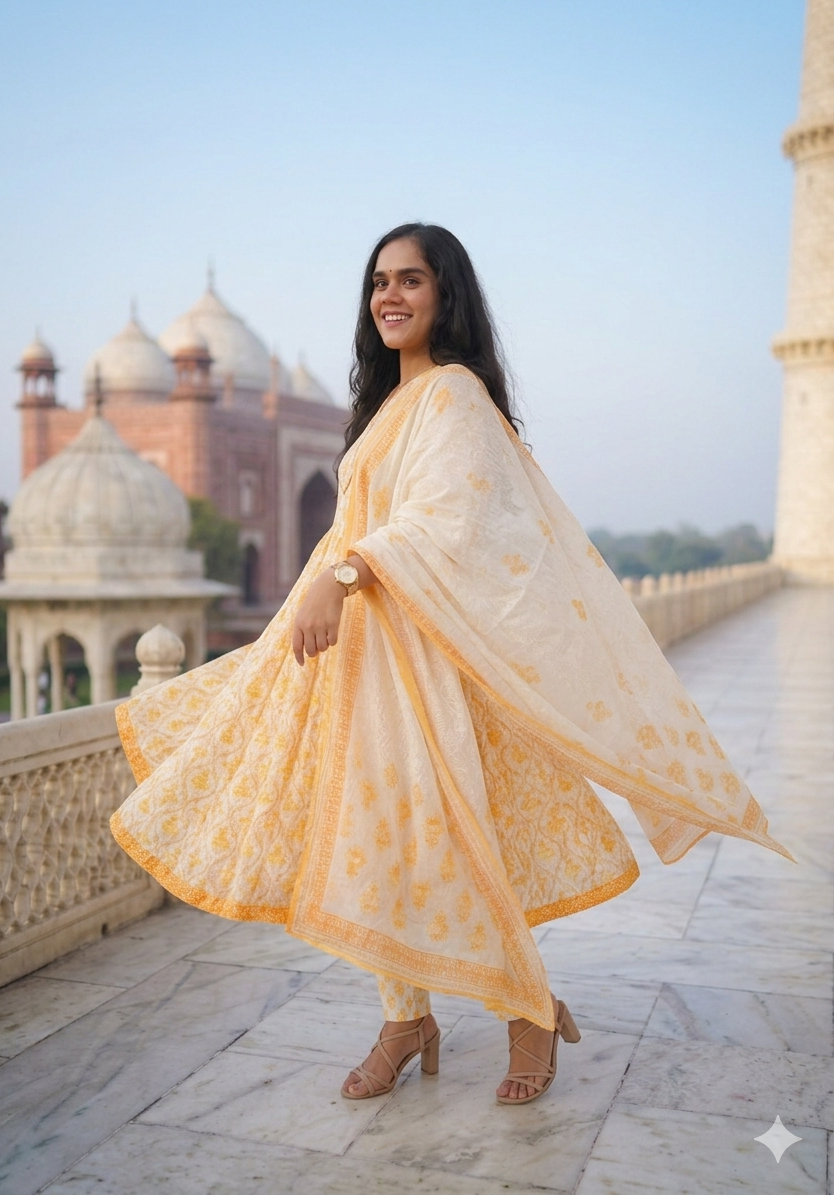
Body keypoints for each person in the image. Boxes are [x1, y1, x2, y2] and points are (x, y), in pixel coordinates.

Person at [111, 223, 791, 1107]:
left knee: (450, 840)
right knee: (373, 843)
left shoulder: (456, 396)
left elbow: (454, 523)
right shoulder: (389, 408)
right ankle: (407, 1018)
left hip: (422, 666)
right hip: (357, 660)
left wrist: (345, 576)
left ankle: (528, 1008)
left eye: (412, 281)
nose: (390, 296)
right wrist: (319, 595)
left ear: (446, 295)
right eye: (379, 282)